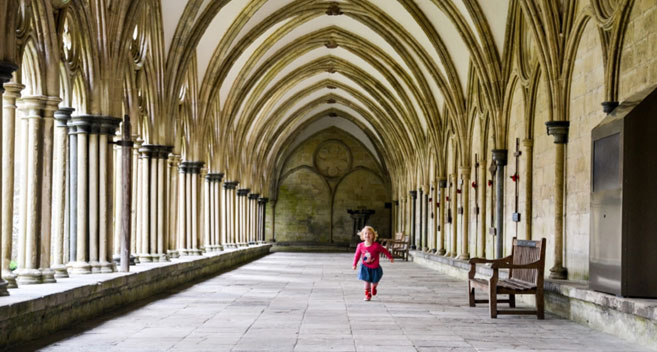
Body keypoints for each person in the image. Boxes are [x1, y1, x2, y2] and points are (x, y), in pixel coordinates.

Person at [352, 226, 394, 301]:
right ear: (362, 235)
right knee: (366, 282)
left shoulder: (376, 246)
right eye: (365, 233)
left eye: (370, 233)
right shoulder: (360, 246)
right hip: (365, 267)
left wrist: (390, 257)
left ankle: (374, 287)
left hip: (375, 268)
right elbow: (357, 255)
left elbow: (384, 251)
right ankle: (367, 295)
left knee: (375, 281)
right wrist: (354, 264)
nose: (367, 235)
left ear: (373, 236)